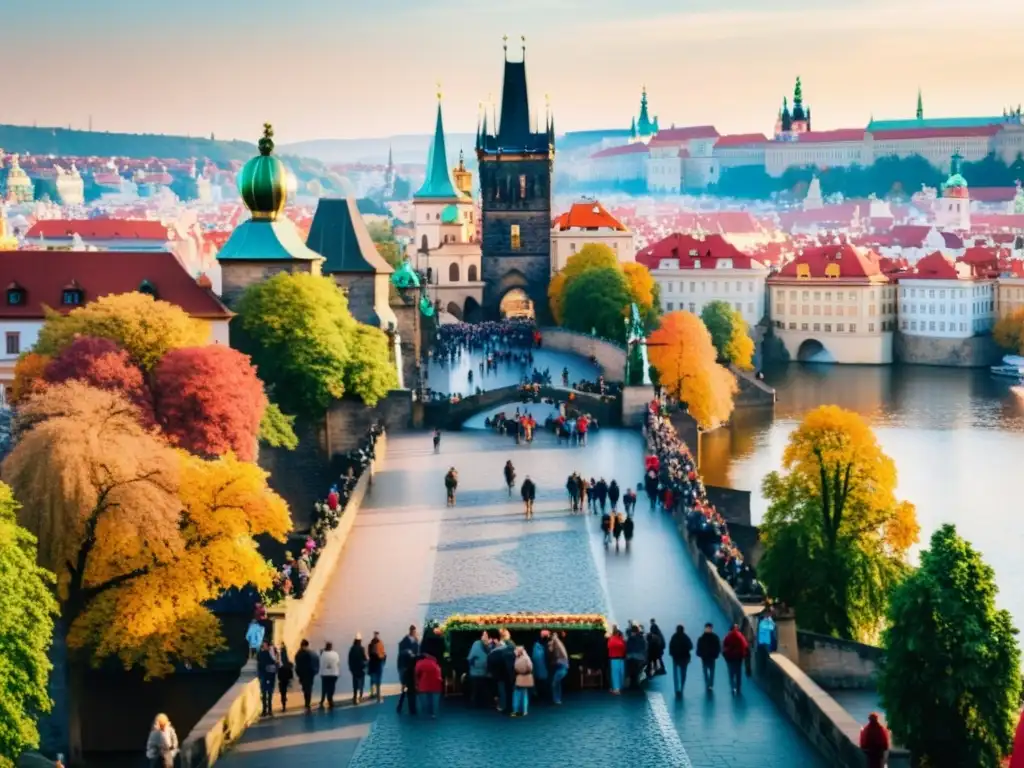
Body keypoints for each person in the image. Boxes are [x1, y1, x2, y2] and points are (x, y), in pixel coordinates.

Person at [396, 626, 419, 714]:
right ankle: (406, 706)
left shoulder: (415, 641)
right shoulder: (404, 642)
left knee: (407, 687)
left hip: (409, 666)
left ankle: (402, 705)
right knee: (407, 686)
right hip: (406, 666)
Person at [722, 623, 749, 695]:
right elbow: (745, 646)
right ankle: (738, 688)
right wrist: (744, 655)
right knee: (738, 673)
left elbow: (724, 647)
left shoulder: (727, 637)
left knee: (731, 673)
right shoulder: (740, 636)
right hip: (738, 658)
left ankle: (733, 687)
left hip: (730, 658)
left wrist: (725, 655)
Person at [466, 631, 491, 707]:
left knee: (483, 689)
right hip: (475, 672)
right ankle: (474, 703)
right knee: (475, 689)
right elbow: (471, 658)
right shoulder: (476, 644)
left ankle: (483, 703)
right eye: (484, 635)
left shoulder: (489, 645)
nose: (485, 636)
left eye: (486, 635)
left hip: (484, 672)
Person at [668, 624, 693, 698]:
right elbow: (690, 646)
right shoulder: (686, 637)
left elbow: (671, 646)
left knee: (675, 674)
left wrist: (672, 654)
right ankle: (681, 687)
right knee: (683, 673)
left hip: (676, 658)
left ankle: (676, 689)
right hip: (684, 658)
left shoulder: (674, 637)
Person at [415, 653, 443, 719]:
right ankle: (434, 714)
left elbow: (416, 673)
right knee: (434, 702)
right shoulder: (436, 664)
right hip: (436, 685)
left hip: (423, 685)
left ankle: (426, 716)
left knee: (424, 702)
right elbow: (439, 675)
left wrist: (416, 684)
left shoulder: (419, 663)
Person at [294, 639, 319, 711]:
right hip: (309, 674)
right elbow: (316, 662)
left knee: (306, 688)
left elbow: (297, 665)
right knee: (308, 688)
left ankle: (307, 703)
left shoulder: (299, 654)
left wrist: (298, 673)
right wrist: (315, 671)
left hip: (303, 674)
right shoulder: (311, 653)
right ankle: (307, 703)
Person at [695, 623, 721, 692]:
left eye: (709, 628)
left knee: (710, 671)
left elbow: (718, 647)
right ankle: (708, 684)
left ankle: (710, 684)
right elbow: (699, 647)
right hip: (706, 657)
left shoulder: (703, 638)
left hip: (710, 657)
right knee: (706, 671)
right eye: (708, 628)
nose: (708, 629)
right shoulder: (712, 637)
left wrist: (716, 654)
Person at [256, 640, 278, 717]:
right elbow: (259, 664)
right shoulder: (261, 654)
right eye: (263, 645)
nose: (264, 646)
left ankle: (269, 710)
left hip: (270, 676)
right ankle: (265, 710)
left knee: (269, 693)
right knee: (264, 694)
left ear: (268, 646)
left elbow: (276, 663)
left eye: (265, 645)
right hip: (264, 676)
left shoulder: (272, 653)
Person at [546, 631, 569, 705]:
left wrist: (554, 639)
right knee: (557, 683)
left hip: (562, 665)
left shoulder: (556, 643)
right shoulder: (556, 644)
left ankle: (556, 699)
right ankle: (557, 699)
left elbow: (552, 650)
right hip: (560, 665)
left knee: (555, 683)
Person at [512, 646, 534, 717]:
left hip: (519, 677)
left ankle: (516, 710)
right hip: (526, 677)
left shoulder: (516, 659)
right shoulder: (527, 658)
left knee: (516, 694)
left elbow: (515, 668)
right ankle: (525, 711)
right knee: (524, 695)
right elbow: (530, 667)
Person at [319, 641, 341, 709]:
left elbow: (321, 663)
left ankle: (323, 700)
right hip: (334, 673)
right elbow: (338, 663)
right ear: (331, 647)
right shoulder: (335, 654)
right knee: (332, 687)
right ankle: (330, 699)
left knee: (324, 687)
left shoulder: (323, 654)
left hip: (325, 674)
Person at [625, 624, 648, 689]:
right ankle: (636, 684)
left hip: (631, 658)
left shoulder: (630, 639)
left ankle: (632, 684)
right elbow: (644, 648)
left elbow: (627, 648)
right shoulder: (641, 638)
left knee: (632, 672)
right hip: (639, 658)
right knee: (637, 672)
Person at [348, 634, 368, 705]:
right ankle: (360, 696)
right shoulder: (361, 648)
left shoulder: (352, 649)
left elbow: (349, 659)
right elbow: (364, 658)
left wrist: (351, 668)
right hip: (361, 668)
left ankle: (354, 697)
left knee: (355, 684)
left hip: (354, 669)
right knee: (361, 683)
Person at [367, 631, 387, 703]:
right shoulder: (375, 644)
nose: (376, 636)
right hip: (377, 664)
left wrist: (382, 659)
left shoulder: (375, 644)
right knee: (377, 681)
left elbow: (383, 653)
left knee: (375, 680)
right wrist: (382, 659)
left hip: (375, 664)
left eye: (377, 635)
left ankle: (376, 695)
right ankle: (376, 695)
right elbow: (383, 654)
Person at [607, 625, 626, 694]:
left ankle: (616, 689)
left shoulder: (611, 640)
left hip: (613, 659)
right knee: (621, 673)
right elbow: (624, 649)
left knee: (615, 674)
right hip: (621, 659)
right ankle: (621, 687)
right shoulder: (621, 640)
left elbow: (609, 647)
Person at [531, 634, 550, 701]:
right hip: (543, 670)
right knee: (543, 683)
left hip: (536, 670)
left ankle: (537, 696)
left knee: (538, 683)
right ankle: (543, 696)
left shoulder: (535, 648)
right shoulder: (544, 647)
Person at [277, 644, 294, 712]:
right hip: (286, 677)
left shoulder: (280, 659)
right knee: (284, 692)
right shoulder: (287, 660)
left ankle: (284, 705)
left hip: (282, 677)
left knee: (283, 693)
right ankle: (284, 702)